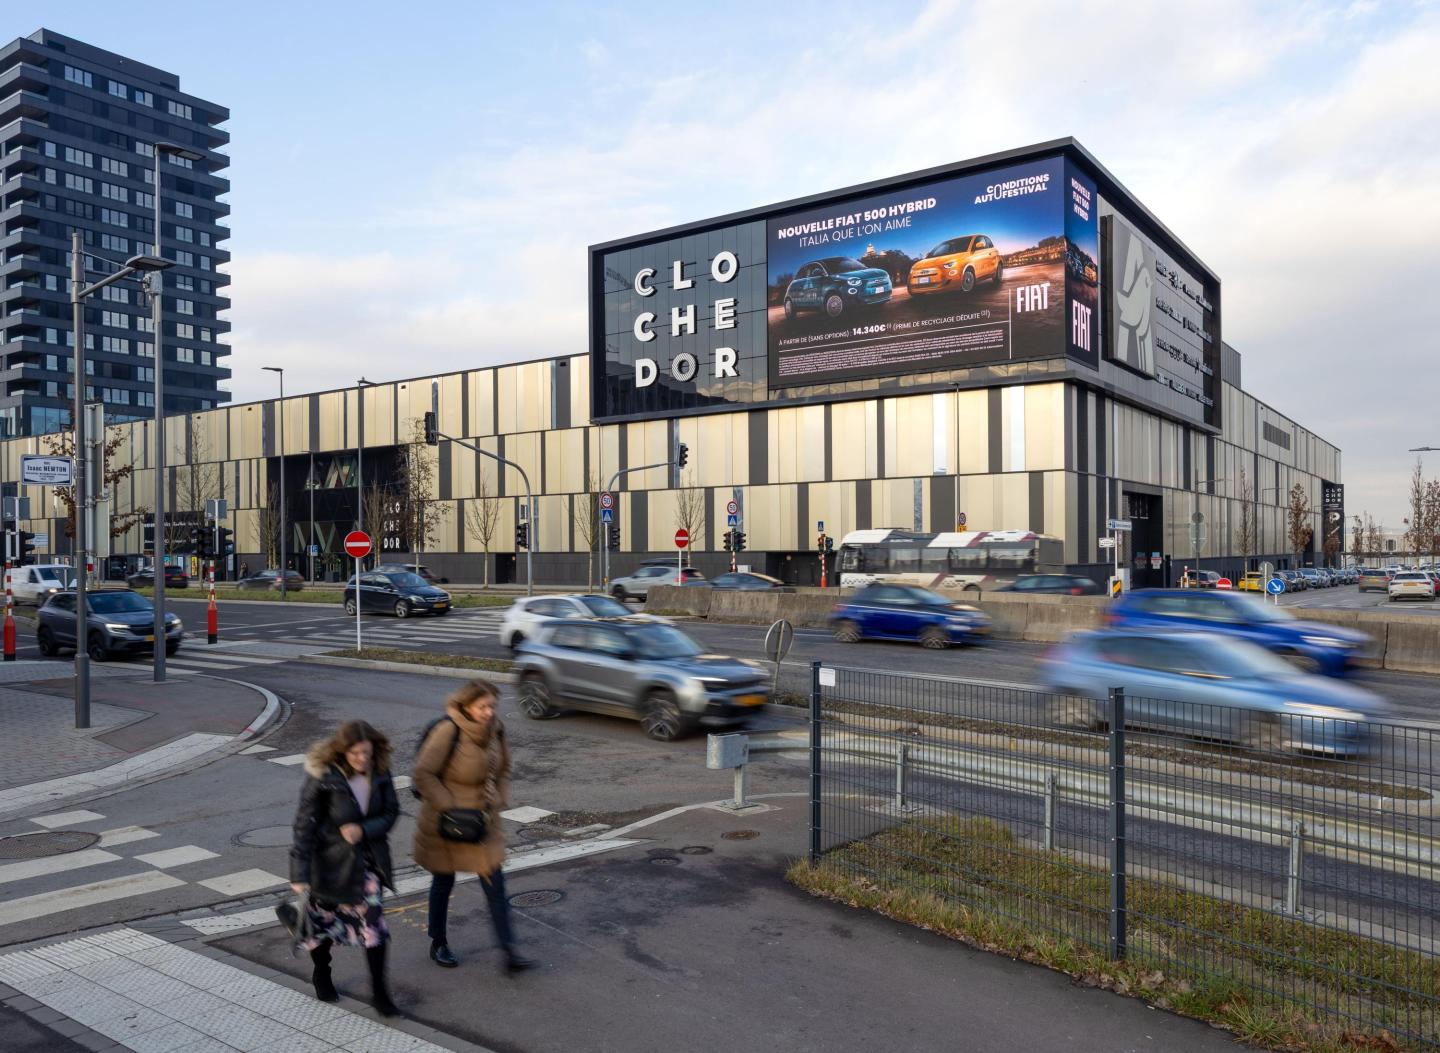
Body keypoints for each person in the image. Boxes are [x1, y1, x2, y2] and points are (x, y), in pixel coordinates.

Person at [413, 680, 534, 974]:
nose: (489, 712)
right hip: (447, 822)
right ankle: (438, 942)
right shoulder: (448, 730)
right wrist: (449, 807)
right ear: (467, 706)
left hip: (483, 823)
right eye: (483, 707)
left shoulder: (497, 730)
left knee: (495, 884)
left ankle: (509, 950)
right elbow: (423, 774)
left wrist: (499, 797)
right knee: (443, 882)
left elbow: (503, 768)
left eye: (493, 706)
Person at [290, 720, 401, 1017]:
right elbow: (303, 826)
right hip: (328, 864)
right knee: (324, 925)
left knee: (374, 928)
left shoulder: (380, 772)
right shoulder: (324, 776)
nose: (363, 759)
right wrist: (299, 874)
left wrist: (363, 830)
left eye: (367, 752)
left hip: (368, 864)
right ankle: (322, 973)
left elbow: (391, 812)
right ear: (342, 751)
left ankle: (380, 994)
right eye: (355, 753)